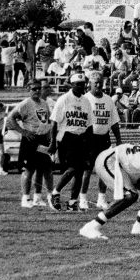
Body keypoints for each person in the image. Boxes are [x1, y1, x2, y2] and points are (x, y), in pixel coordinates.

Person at [48, 73, 94, 211]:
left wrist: (89, 144)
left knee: (80, 172)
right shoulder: (64, 99)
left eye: (83, 84)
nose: (81, 86)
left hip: (81, 137)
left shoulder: (86, 101)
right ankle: (55, 193)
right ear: (72, 85)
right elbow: (54, 122)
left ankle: (73, 202)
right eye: (78, 84)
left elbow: (89, 124)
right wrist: (52, 142)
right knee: (73, 168)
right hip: (67, 137)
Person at [8, 81, 55, 209]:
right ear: (29, 90)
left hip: (43, 139)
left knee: (45, 169)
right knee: (29, 170)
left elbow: (46, 120)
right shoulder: (25, 104)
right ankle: (25, 198)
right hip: (31, 139)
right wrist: (23, 131)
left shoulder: (44, 103)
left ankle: (39, 198)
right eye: (34, 89)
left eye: (39, 88)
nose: (37, 91)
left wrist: (49, 134)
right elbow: (11, 118)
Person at [84, 71, 123, 210]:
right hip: (89, 137)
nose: (98, 85)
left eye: (100, 82)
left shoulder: (108, 100)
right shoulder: (85, 99)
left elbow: (114, 122)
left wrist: (118, 139)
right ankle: (83, 198)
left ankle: (101, 198)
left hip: (104, 137)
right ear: (90, 84)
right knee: (87, 169)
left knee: (104, 169)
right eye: (96, 83)